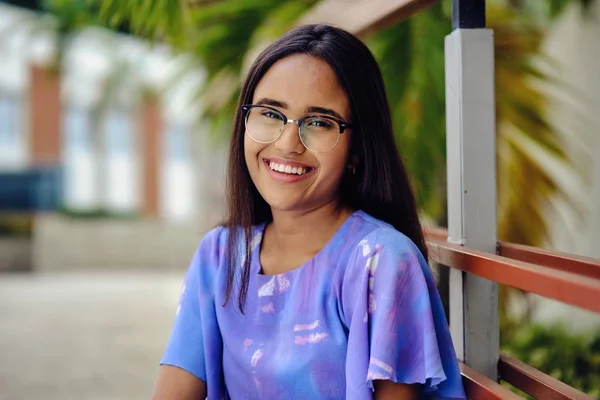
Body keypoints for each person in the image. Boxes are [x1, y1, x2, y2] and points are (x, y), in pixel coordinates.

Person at [152, 24, 466, 400]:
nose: (287, 143)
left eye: (319, 123)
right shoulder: (220, 256)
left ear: (357, 149)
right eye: (270, 113)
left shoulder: (379, 262)